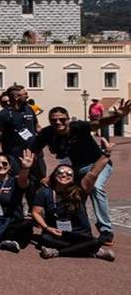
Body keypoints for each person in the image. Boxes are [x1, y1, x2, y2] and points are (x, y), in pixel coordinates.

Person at [37, 101, 131, 246]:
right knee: (71, 194)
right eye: (54, 120)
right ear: (50, 121)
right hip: (76, 168)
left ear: (68, 119)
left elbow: (98, 123)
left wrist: (117, 116)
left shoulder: (78, 127)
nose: (58, 122)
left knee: (96, 188)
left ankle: (105, 230)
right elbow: (33, 149)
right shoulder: (48, 133)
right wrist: (43, 174)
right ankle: (76, 229)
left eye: (62, 119)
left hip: (98, 164)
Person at [32, 149, 116, 261]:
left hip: (79, 233)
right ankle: (93, 251)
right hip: (56, 232)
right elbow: (35, 212)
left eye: (69, 174)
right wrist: (47, 228)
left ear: (73, 179)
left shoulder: (79, 190)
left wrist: (106, 154)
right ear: (54, 175)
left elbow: (93, 173)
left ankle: (57, 252)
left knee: (95, 241)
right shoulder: (44, 192)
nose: (64, 175)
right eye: (60, 172)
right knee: (45, 238)